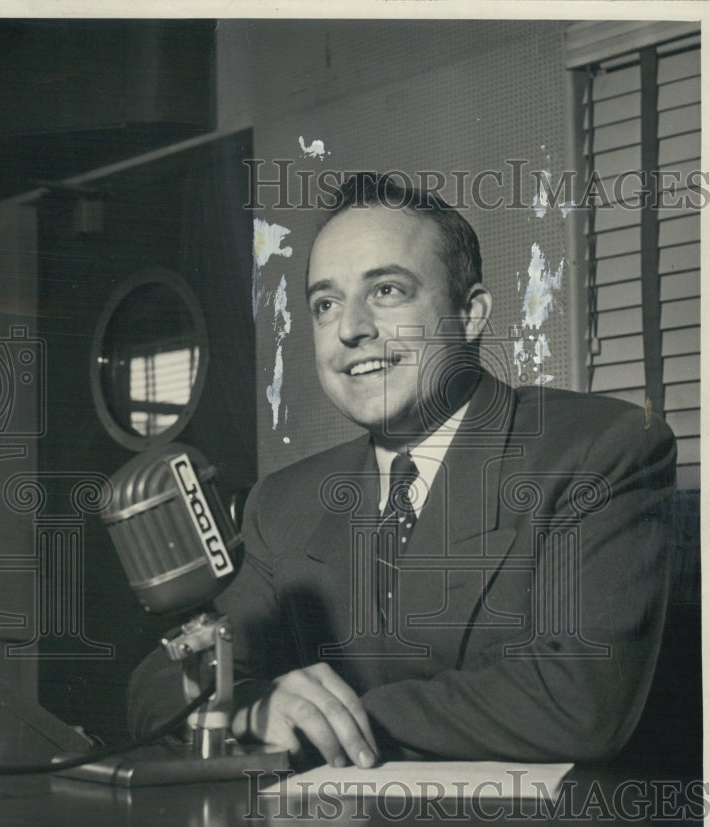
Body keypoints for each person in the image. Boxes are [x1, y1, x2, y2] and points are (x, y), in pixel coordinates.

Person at [128, 172, 676, 768]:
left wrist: (327, 722)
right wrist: (253, 708)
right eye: (325, 303)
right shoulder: (285, 501)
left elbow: (578, 699)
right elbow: (158, 684)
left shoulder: (599, 450)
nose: (349, 329)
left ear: (470, 314)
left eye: (386, 291)